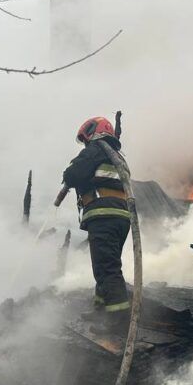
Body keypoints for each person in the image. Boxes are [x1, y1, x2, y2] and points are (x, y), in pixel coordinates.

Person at [58, 117, 131, 325]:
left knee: (107, 268)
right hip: (119, 216)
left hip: (104, 214)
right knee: (104, 265)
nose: (85, 143)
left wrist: (69, 173)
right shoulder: (116, 155)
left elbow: (72, 174)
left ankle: (118, 321)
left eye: (85, 138)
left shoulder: (97, 148)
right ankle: (101, 310)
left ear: (95, 131)